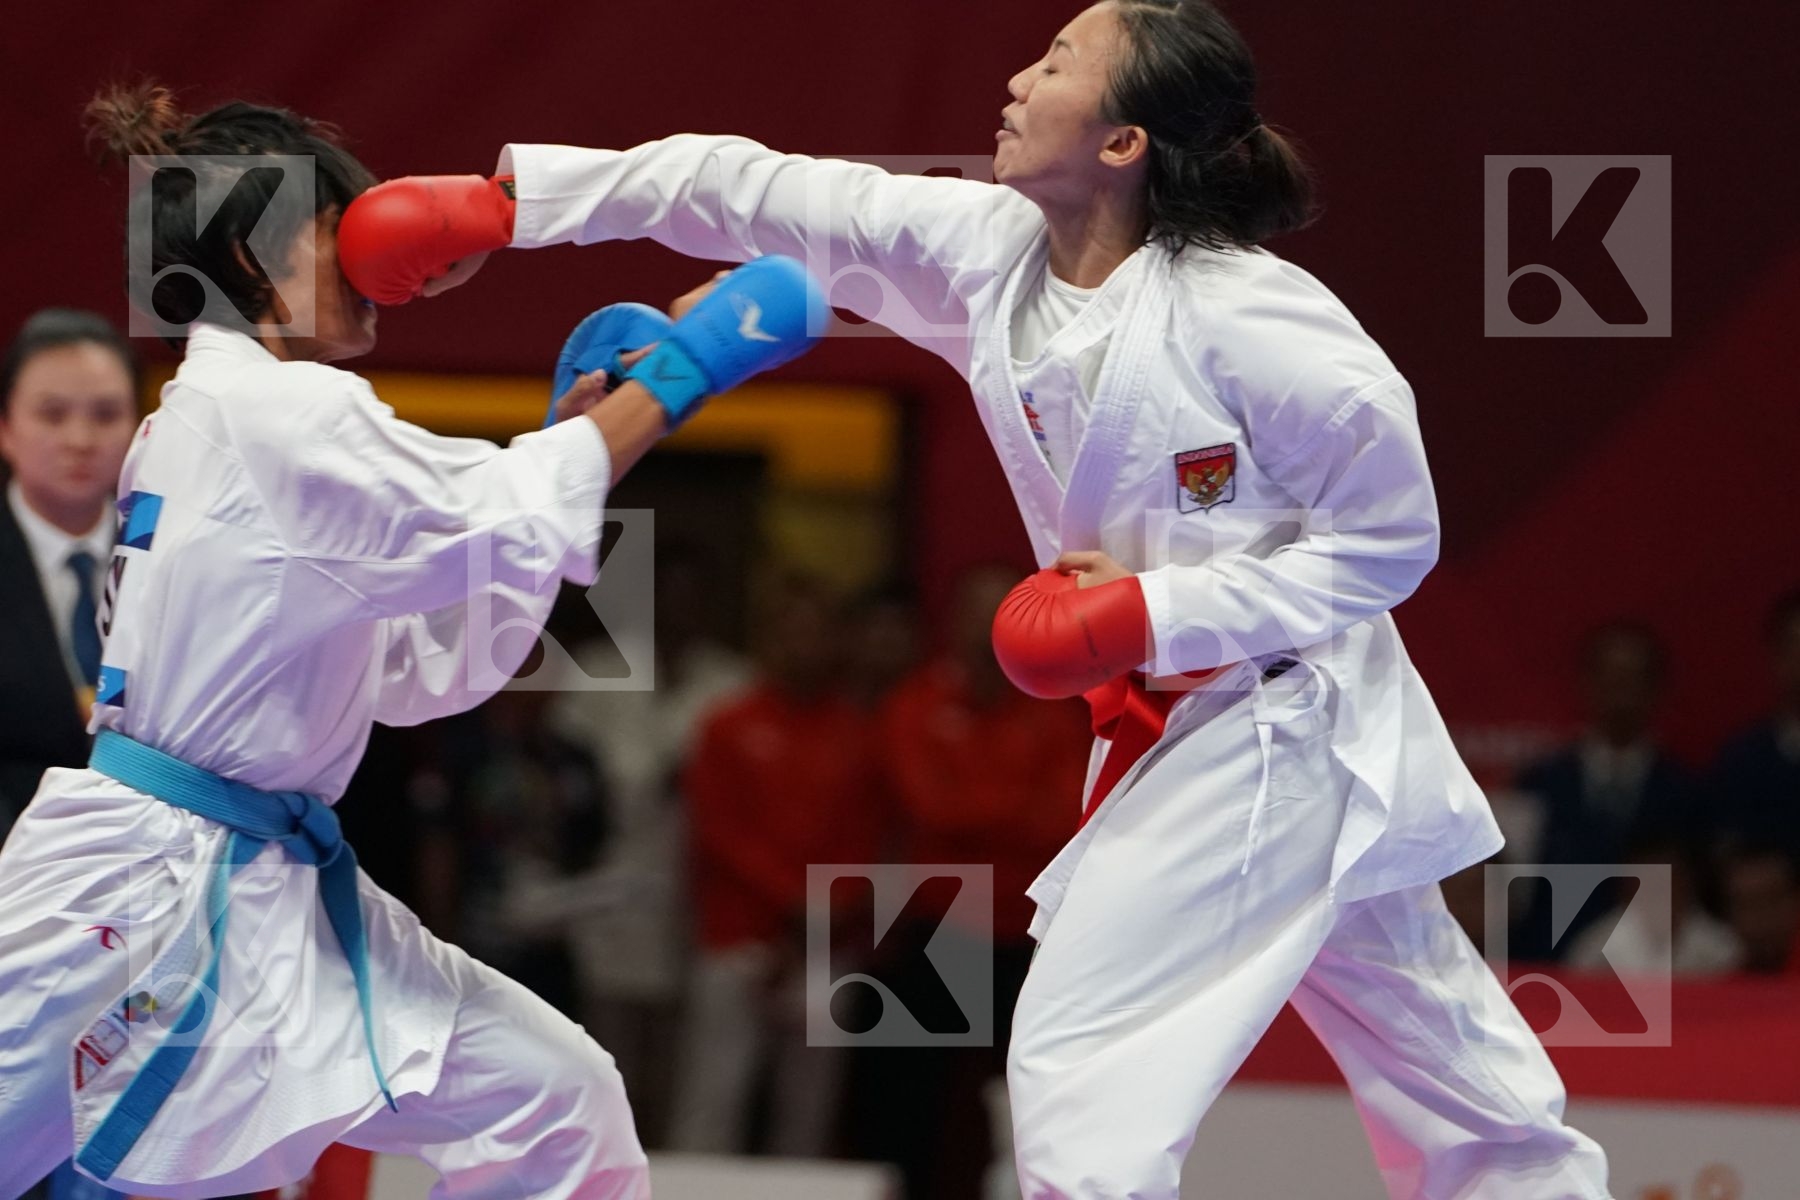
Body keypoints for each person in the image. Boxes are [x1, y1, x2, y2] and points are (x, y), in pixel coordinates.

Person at [339, 2, 1609, 1195]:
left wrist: (1159, 614)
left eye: (1057, 60)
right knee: (1459, 1083)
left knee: (1077, 1071)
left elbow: (1393, 538)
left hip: (1273, 715)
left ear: (1122, 142)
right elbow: (739, 180)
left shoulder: (1261, 321)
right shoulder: (989, 256)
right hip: (1216, 726)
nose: (1017, 78)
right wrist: (506, 207)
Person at [0, 82, 818, 1198]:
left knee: (557, 1100)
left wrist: (575, 439)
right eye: (348, 230)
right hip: (142, 894)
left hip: (259, 871)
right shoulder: (275, 416)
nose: (388, 265)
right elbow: (503, 512)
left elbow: (427, 658)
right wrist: (691, 364)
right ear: (258, 250)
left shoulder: (221, 421)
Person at [666, 572, 881, 1156]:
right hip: (739, 939)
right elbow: (719, 834)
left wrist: (822, 915)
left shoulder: (859, 734)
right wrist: (792, 902)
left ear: (836, 642)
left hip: (827, 944)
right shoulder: (726, 725)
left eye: (817, 634)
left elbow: (869, 837)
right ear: (769, 640)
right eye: (792, 633)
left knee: (808, 1115)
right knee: (712, 1101)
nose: (804, 647)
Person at [0, 309, 139, 841]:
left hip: (155, 867)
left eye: (106, 414)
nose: (80, 438)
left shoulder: (180, 556)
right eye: (53, 415)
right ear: (7, 428)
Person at [1513, 621, 1694, 961]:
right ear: (1587, 683)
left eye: (1633, 680)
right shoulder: (1542, 784)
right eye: (1611, 679)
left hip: (1650, 976)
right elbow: (1519, 894)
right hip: (1551, 971)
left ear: (1656, 689)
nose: (1621, 694)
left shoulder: (1683, 791)